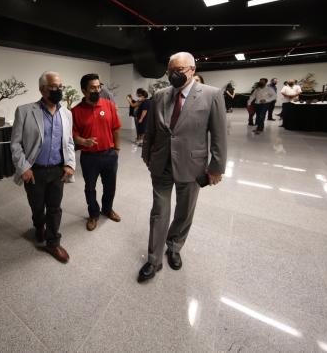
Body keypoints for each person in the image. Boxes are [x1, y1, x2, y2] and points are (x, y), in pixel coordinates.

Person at [138, 52, 227, 282]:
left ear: (192, 70)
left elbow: (219, 135)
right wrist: (146, 154)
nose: (173, 75)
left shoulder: (212, 95)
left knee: (185, 211)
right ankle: (153, 260)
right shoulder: (160, 95)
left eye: (179, 70)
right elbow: (150, 129)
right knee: (159, 211)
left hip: (192, 165)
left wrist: (216, 167)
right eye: (170, 71)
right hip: (161, 163)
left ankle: (174, 246)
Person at [10, 71, 76, 263]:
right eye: (54, 86)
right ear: (42, 89)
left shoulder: (67, 114)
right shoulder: (24, 111)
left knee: (55, 208)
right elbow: (15, 144)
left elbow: (69, 142)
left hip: (57, 171)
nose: (58, 90)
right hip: (34, 171)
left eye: (60, 86)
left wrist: (70, 164)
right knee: (37, 206)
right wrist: (24, 168)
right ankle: (39, 226)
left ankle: (53, 243)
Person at [72, 73, 122, 231]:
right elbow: (73, 135)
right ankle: (93, 214)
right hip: (89, 157)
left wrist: (116, 150)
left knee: (110, 186)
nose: (97, 90)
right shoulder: (75, 111)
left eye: (98, 87)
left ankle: (107, 209)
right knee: (90, 188)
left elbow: (116, 128)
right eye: (93, 88)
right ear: (84, 90)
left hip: (109, 155)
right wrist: (83, 141)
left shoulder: (108, 105)